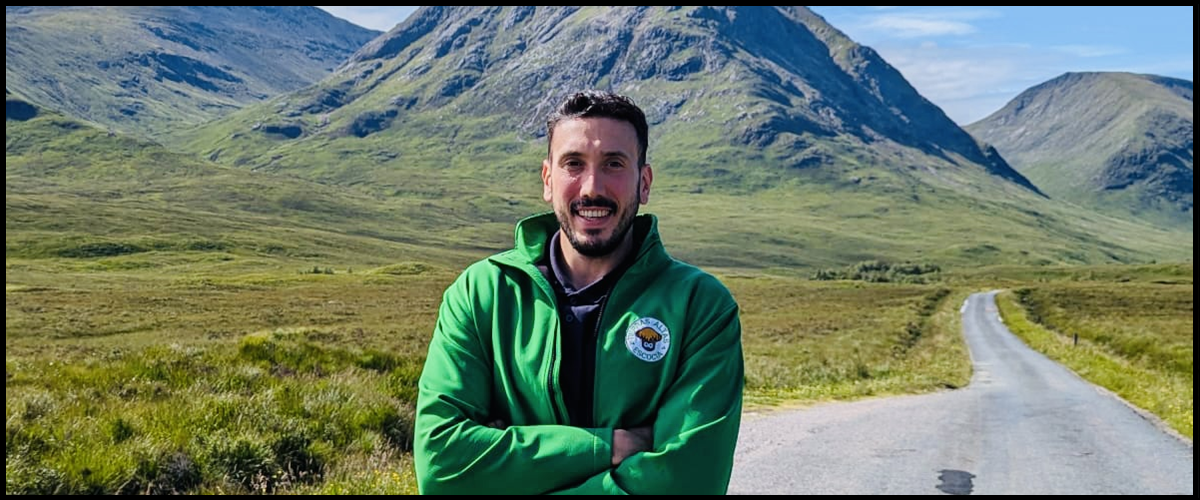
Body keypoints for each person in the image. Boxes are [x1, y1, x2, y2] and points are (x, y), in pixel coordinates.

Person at [413, 90, 744, 495]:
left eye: (614, 164)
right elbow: (441, 465)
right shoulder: (481, 293)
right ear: (548, 180)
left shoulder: (700, 306)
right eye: (574, 164)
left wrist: (512, 469)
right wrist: (609, 447)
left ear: (644, 183)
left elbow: (689, 480)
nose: (591, 188)